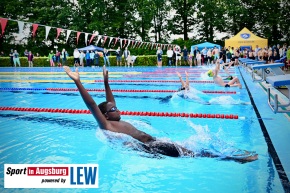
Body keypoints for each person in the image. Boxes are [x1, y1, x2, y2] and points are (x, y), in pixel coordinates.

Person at [63, 65, 258, 162]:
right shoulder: (107, 125)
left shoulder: (114, 118)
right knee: (194, 153)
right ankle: (234, 158)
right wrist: (78, 82)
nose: (117, 109)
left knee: (191, 150)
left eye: (117, 107)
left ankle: (231, 156)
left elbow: (109, 101)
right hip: (150, 148)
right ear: (104, 116)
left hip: (154, 142)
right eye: (113, 110)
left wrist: (106, 81)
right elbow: (91, 105)